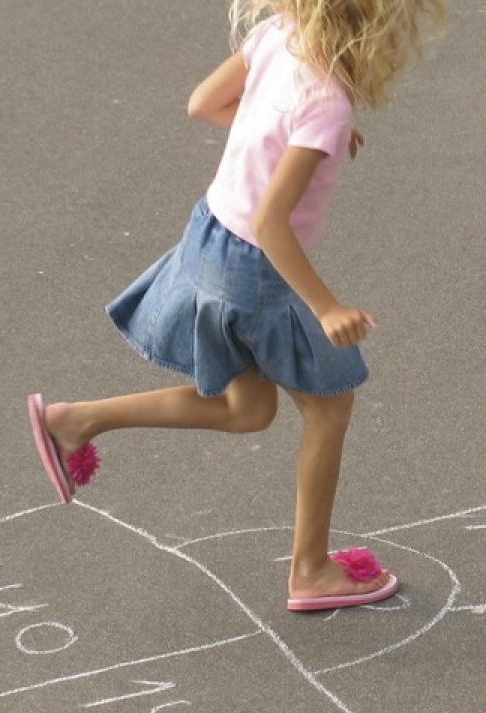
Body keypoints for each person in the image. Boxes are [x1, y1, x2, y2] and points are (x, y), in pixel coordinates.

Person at [27, 0, 444, 611]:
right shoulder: (327, 105)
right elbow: (272, 223)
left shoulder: (279, 34)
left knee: (246, 409)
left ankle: (75, 421)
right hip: (254, 266)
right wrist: (326, 307)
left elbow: (204, 102)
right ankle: (311, 570)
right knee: (330, 407)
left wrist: (292, 140)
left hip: (210, 234)